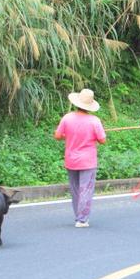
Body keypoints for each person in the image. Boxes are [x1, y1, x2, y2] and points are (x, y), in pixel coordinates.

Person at [54, 88, 106, 228]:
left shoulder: (67, 118)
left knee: (75, 189)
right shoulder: (95, 121)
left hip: (71, 159)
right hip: (88, 161)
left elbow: (58, 136)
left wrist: (68, 135)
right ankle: (82, 220)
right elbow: (102, 140)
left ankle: (78, 216)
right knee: (86, 189)